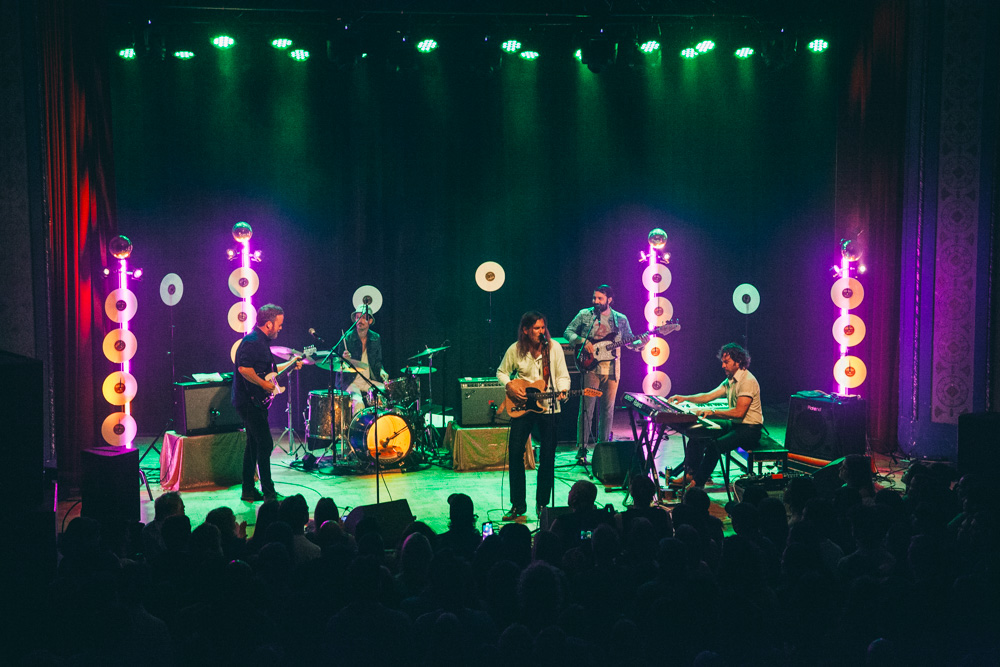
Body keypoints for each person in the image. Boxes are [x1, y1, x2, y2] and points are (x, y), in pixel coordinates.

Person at [496, 311, 571, 520]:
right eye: (536, 328)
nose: (541, 332)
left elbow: (563, 375)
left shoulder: (554, 348)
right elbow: (501, 372)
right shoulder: (515, 349)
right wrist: (510, 385)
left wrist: (563, 390)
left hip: (548, 408)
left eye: (543, 327)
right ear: (526, 330)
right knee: (515, 452)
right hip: (522, 407)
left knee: (547, 456)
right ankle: (518, 505)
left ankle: (543, 504)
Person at [667, 342, 763, 489]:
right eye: (722, 362)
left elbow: (739, 413)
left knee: (714, 446)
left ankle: (697, 484)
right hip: (736, 425)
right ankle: (691, 473)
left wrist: (713, 412)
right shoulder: (731, 379)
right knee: (697, 431)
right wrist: (685, 398)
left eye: (726, 362)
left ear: (738, 361)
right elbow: (708, 396)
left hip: (750, 430)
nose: (723, 366)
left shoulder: (747, 381)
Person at [563, 284, 642, 462]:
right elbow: (568, 331)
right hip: (590, 367)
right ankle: (582, 449)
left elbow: (629, 342)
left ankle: (603, 448)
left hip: (612, 369)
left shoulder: (620, 319)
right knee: (587, 408)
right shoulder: (585, 314)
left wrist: (640, 344)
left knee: (607, 410)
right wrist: (581, 340)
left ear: (609, 300)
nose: (596, 301)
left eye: (600, 298)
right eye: (594, 298)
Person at [232, 303, 302, 502]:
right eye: (279, 324)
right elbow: (244, 369)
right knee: (265, 444)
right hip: (248, 402)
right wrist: (264, 384)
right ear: (269, 324)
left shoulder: (260, 342)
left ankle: (248, 490)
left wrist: (291, 364)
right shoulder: (252, 342)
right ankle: (269, 493)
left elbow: (270, 370)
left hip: (253, 401)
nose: (281, 328)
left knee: (253, 445)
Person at [342, 304, 390, 413]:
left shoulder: (375, 338)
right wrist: (344, 359)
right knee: (358, 403)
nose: (360, 320)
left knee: (386, 394)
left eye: (364, 317)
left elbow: (378, 361)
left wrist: (382, 370)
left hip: (368, 380)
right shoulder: (347, 338)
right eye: (358, 317)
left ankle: (379, 423)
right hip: (350, 381)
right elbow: (338, 363)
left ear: (370, 321)